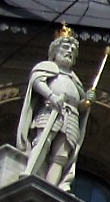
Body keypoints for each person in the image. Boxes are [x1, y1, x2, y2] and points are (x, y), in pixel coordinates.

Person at [17, 28, 93, 190]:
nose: (70, 51)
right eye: (66, 47)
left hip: (71, 117)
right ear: (55, 51)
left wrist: (86, 102)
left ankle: (51, 188)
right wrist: (51, 96)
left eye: (73, 50)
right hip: (51, 110)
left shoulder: (75, 80)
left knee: (61, 155)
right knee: (42, 143)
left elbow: (79, 104)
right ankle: (31, 175)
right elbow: (37, 81)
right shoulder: (47, 67)